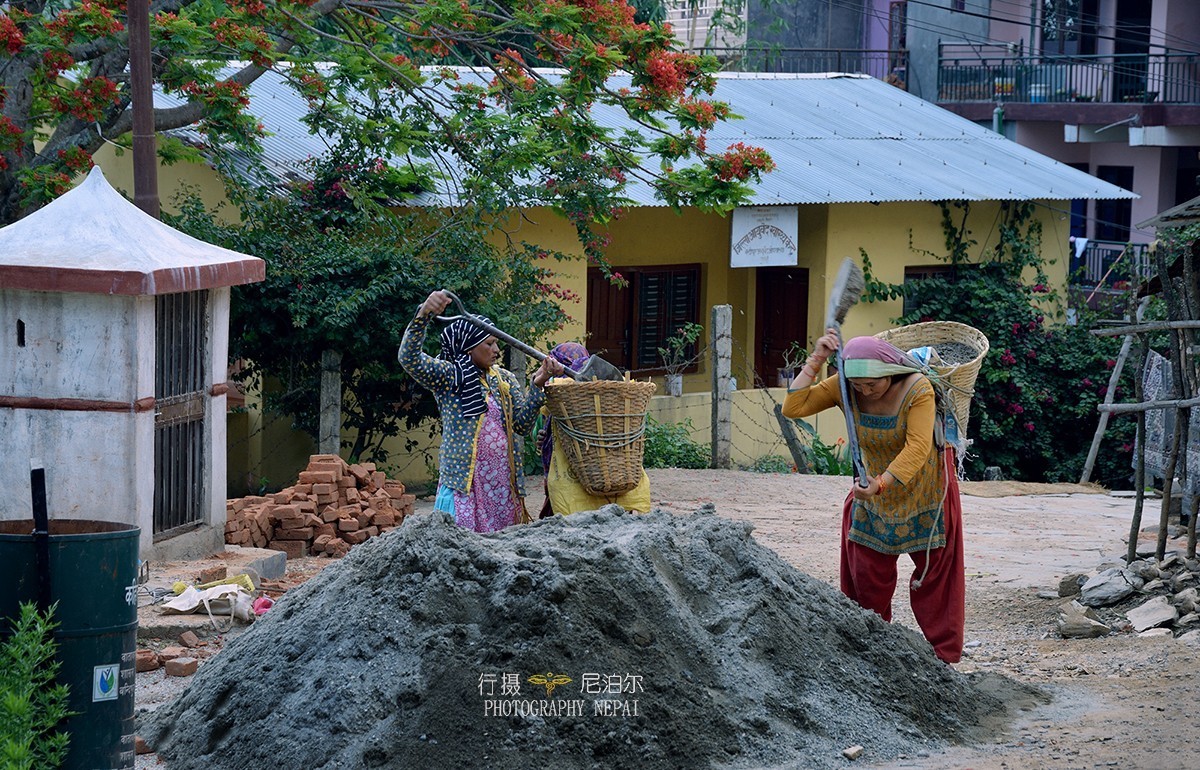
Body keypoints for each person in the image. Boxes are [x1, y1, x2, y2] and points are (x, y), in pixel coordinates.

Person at [781, 328, 965, 664]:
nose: (865, 391)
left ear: (890, 375)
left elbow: (919, 447)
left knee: (934, 578)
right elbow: (793, 407)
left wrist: (881, 483)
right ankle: (872, 650)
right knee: (867, 572)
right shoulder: (845, 387)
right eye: (859, 385)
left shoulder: (917, 389)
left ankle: (943, 659)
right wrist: (818, 357)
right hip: (874, 491)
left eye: (873, 385)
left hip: (926, 487)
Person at [398, 289, 564, 533]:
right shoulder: (450, 377)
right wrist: (423, 316)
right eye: (489, 343)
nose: (496, 349)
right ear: (468, 349)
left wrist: (538, 383)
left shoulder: (504, 379)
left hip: (502, 486)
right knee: (462, 547)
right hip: (465, 485)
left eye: (496, 342)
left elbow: (521, 425)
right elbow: (409, 358)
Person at [534, 342, 651, 518]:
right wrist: (544, 435)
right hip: (614, 485)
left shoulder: (563, 395)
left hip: (573, 491)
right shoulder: (611, 398)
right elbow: (539, 431)